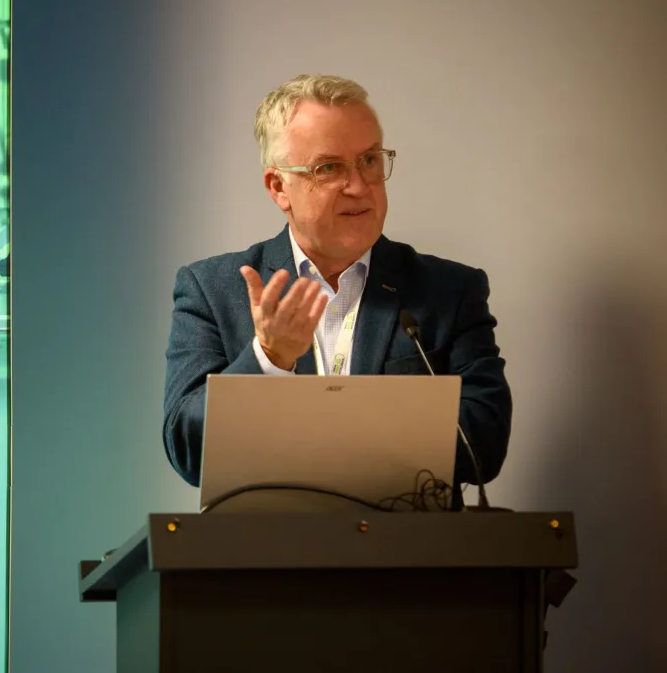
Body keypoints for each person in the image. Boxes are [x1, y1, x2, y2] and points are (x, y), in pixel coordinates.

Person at [162, 74, 512, 504]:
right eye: (329, 168)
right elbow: (187, 448)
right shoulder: (213, 290)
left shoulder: (448, 290)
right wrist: (269, 361)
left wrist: (329, 430)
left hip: (409, 564)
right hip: (269, 562)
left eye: (369, 160)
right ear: (278, 188)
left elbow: (485, 443)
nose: (360, 186)